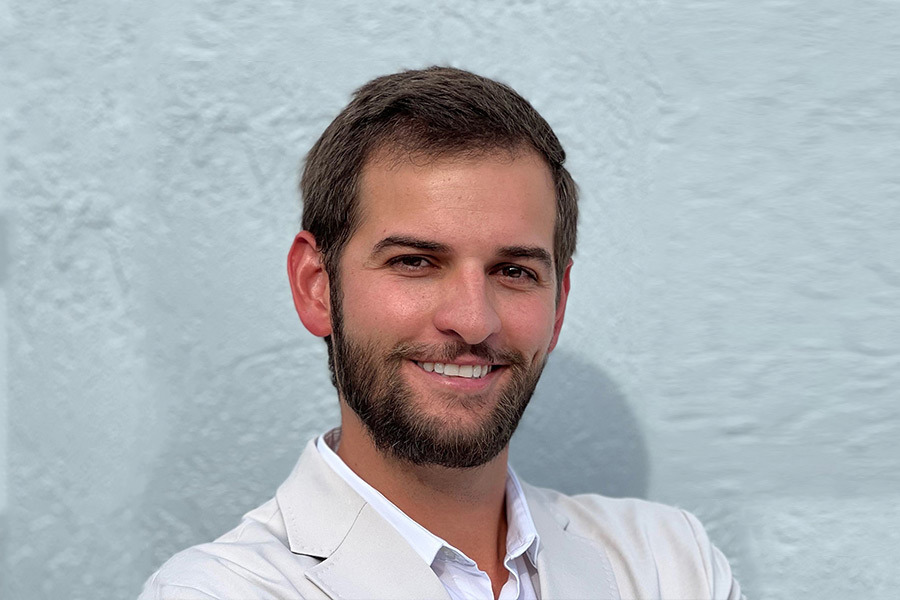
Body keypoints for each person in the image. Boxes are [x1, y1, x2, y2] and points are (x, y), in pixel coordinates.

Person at [139, 66, 742, 600]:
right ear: (316, 287)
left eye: (514, 271)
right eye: (415, 262)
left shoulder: (672, 563)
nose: (473, 320)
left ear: (558, 306)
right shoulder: (216, 591)